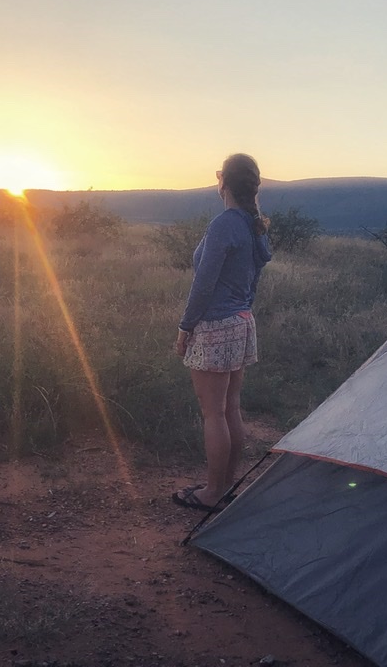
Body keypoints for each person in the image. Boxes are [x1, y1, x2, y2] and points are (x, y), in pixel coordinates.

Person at [172, 153, 273, 513]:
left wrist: (185, 327)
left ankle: (212, 493)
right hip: (242, 321)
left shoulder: (224, 224)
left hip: (215, 324)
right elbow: (255, 276)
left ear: (224, 183)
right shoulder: (253, 224)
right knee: (231, 408)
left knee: (212, 412)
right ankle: (224, 487)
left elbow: (203, 284)